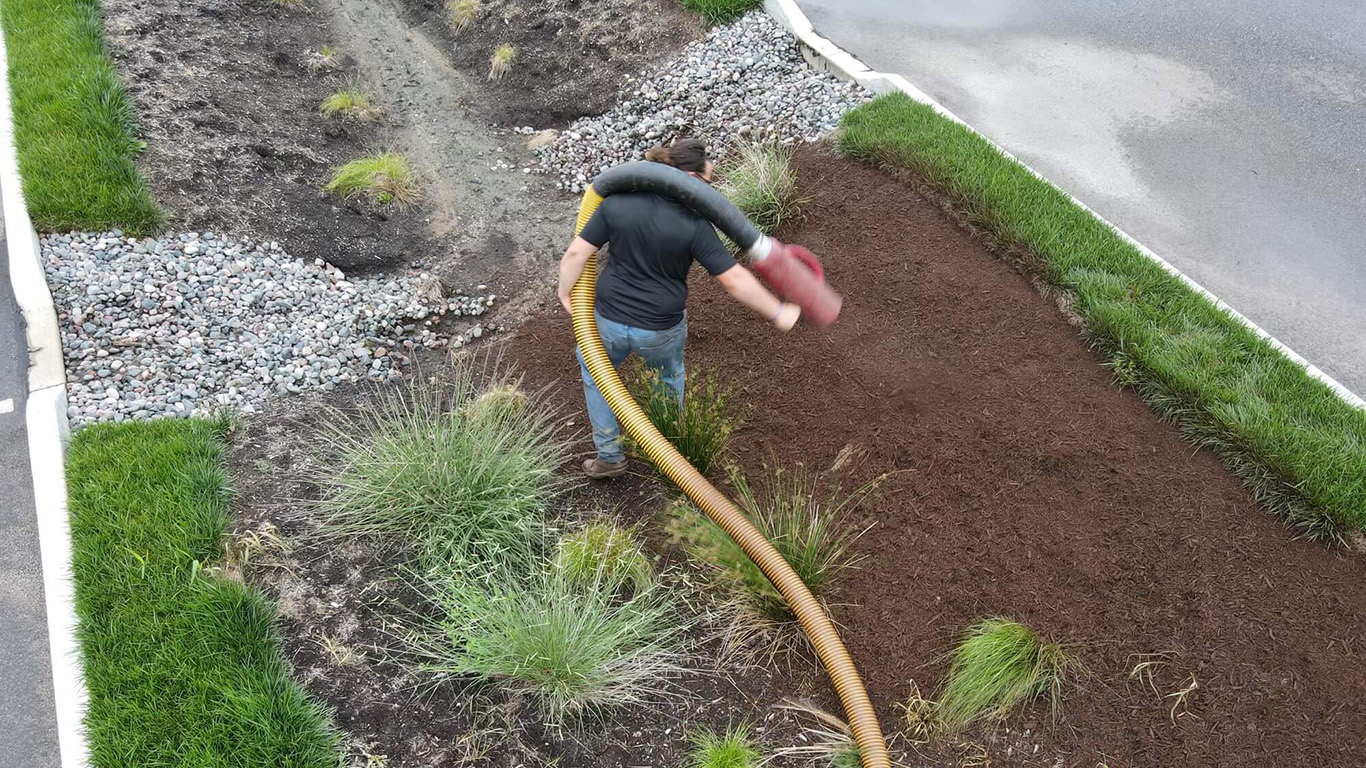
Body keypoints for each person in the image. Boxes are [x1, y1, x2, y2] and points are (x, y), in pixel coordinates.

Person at [557, 138, 801, 479]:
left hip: (607, 321)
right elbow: (733, 281)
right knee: (667, 379)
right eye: (707, 181)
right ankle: (666, 454)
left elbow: (576, 254)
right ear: (689, 177)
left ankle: (610, 456)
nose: (710, 191)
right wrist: (777, 311)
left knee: (597, 376)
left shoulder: (618, 204)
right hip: (660, 328)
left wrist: (565, 291)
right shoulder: (695, 224)